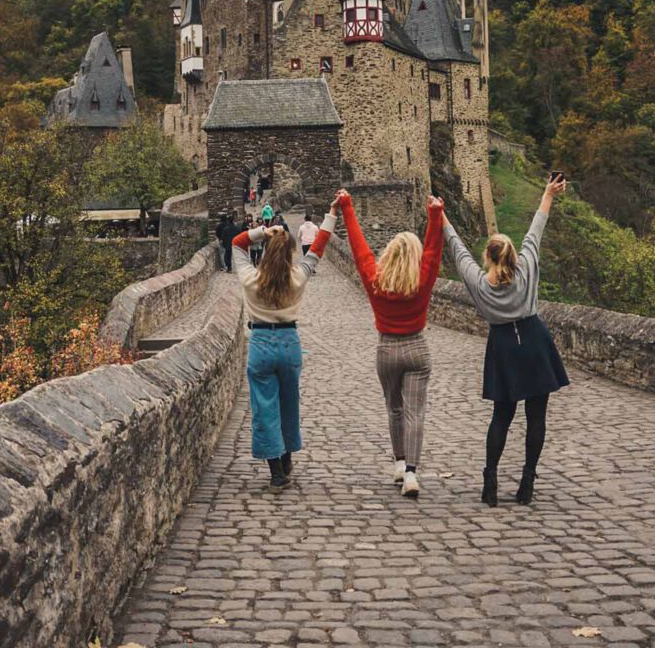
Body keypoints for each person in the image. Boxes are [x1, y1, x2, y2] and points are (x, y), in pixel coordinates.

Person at [442, 174, 570, 507]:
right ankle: (527, 482)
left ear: (488, 257)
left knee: (502, 417)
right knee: (536, 418)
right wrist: (547, 193)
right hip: (534, 340)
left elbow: (457, 249)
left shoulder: (480, 285)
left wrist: (440, 215)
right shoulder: (526, 267)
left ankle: (491, 483)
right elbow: (536, 227)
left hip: (502, 347)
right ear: (512, 254)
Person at [336, 188, 444, 498]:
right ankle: (411, 472)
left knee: (394, 409)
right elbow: (434, 251)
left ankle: (398, 463)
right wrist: (435, 215)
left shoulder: (375, 279)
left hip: (386, 349)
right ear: (414, 256)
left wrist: (347, 207)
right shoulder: (422, 279)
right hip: (416, 349)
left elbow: (359, 248)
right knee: (415, 413)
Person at [232, 196, 339, 491]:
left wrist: (261, 232)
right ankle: (288, 457)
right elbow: (318, 247)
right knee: (289, 404)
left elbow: (237, 245)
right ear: (291, 253)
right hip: (290, 343)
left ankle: (277, 471)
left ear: (265, 252)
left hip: (261, 343)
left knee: (265, 407)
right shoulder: (297, 278)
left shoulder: (251, 278)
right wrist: (331, 214)